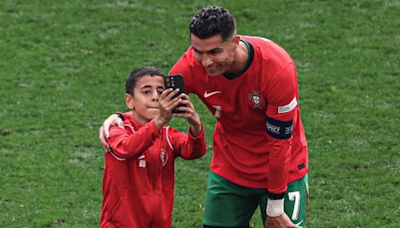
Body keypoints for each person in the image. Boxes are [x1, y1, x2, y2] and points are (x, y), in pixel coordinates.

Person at [100, 6, 309, 228]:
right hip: (230, 171)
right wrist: (119, 118)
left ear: (235, 42)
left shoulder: (277, 69)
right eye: (198, 51)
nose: (205, 62)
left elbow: (279, 143)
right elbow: (155, 98)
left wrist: (275, 205)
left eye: (214, 52)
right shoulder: (190, 66)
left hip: (284, 171)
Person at [99, 67, 206, 228]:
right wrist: (160, 120)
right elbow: (127, 148)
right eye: (146, 92)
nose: (155, 97)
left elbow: (194, 151)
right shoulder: (116, 129)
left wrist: (196, 125)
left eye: (160, 91)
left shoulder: (168, 135)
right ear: (130, 101)